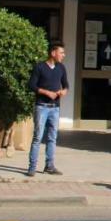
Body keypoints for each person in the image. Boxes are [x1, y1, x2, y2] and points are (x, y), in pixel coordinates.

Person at [27, 41, 68, 178]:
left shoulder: (61, 68)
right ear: (53, 53)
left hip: (55, 108)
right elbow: (32, 85)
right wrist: (46, 92)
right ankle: (32, 167)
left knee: (52, 138)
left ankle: (49, 166)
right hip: (42, 107)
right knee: (38, 137)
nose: (63, 55)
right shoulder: (39, 67)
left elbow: (66, 85)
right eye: (61, 52)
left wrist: (64, 91)